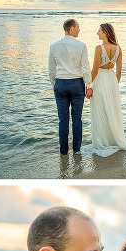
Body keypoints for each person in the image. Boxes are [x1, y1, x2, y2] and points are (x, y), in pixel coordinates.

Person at [48, 19, 93, 155]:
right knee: (77, 118)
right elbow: (85, 68)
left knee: (63, 119)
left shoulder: (54, 46)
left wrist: (54, 84)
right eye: (78, 27)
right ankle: (77, 150)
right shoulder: (81, 45)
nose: (80, 30)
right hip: (76, 84)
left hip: (60, 84)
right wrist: (89, 85)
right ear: (72, 28)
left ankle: (63, 151)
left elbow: (51, 69)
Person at [87, 23, 126, 157]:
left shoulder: (99, 48)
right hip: (112, 80)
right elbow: (119, 72)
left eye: (99, 31)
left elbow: (94, 70)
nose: (97, 33)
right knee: (112, 110)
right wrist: (113, 85)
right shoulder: (118, 48)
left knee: (100, 110)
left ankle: (103, 141)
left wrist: (89, 86)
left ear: (106, 33)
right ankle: (113, 138)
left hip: (100, 79)